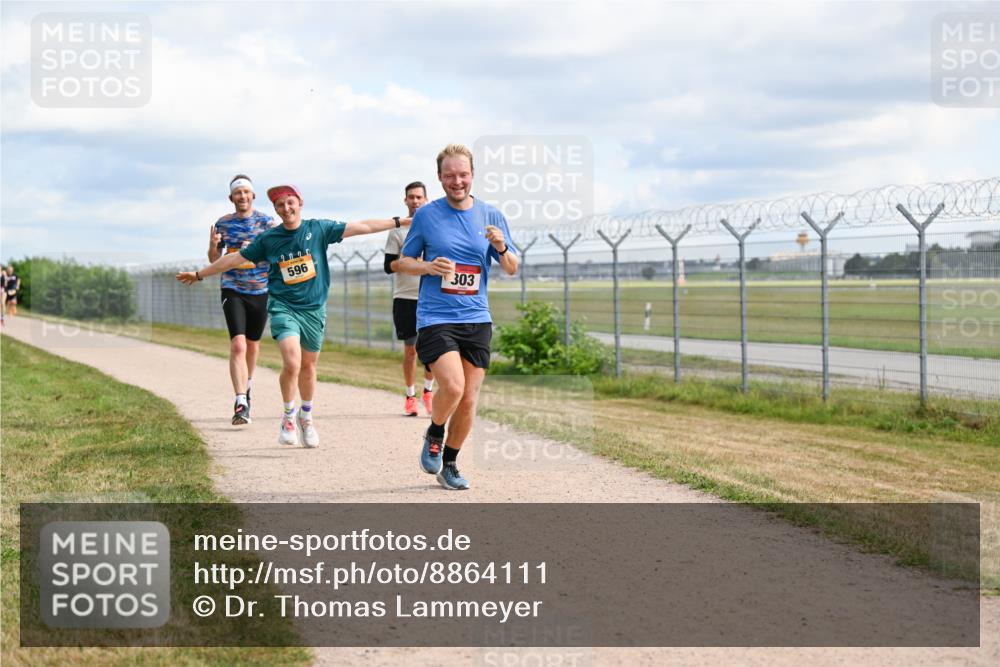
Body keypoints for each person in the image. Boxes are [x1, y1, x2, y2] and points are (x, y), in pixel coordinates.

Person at [177, 184, 409, 449]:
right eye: (280, 205)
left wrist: (400, 221)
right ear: (275, 210)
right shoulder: (269, 239)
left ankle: (306, 416)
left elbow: (363, 227)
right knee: (292, 362)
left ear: (300, 203)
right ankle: (288, 416)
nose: (286, 209)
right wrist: (199, 274)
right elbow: (232, 260)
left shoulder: (318, 229)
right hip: (282, 306)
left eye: (290, 203)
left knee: (309, 367)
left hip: (313, 309)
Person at [397, 144, 519, 490]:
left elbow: (511, 268)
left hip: (477, 317)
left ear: (472, 175)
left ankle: (449, 463)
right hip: (435, 316)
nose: (457, 181)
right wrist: (427, 266)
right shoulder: (426, 216)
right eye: (449, 175)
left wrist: (501, 247)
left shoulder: (491, 216)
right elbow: (403, 262)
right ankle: (435, 431)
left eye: (462, 174)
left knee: (469, 399)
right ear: (440, 178)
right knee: (452, 386)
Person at [208, 175, 274, 425]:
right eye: (238, 193)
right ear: (231, 198)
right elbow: (215, 261)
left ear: (253, 196)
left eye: (246, 192)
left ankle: (247, 388)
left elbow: (275, 252)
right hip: (232, 288)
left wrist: (254, 249)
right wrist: (214, 246)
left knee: (252, 345)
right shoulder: (223, 224)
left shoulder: (266, 222)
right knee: (238, 345)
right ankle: (240, 401)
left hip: (260, 289)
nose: (242, 197)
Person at [384, 181, 434, 416]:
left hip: (431, 296)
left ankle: (428, 391)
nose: (415, 201)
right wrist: (405, 261)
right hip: (405, 297)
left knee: (433, 350)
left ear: (425, 199)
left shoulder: (434, 227)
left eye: (419, 197)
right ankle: (410, 395)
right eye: (411, 197)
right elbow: (388, 266)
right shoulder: (397, 231)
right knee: (411, 350)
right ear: (405, 200)